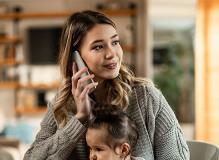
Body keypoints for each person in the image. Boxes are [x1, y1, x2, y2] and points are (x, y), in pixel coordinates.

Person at [24, 10, 189, 160]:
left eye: (115, 42)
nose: (112, 54)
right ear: (77, 58)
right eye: (98, 47)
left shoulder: (146, 97)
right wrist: (80, 119)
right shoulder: (62, 104)